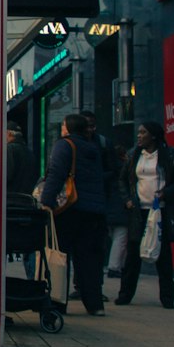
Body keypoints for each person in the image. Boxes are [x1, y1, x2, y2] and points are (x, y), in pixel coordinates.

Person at [38, 111, 106, 315]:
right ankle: (94, 305)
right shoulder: (93, 148)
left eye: (63, 125)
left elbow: (56, 175)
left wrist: (46, 202)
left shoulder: (64, 145)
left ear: (68, 128)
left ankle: (59, 302)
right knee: (88, 259)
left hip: (70, 209)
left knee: (61, 255)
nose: (61, 128)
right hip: (93, 210)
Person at [114, 121, 174, 309]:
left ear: (153, 135)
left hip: (161, 210)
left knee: (163, 256)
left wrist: (166, 193)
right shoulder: (133, 155)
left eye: (143, 133)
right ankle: (125, 295)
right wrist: (127, 199)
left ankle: (167, 298)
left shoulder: (169, 155)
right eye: (138, 133)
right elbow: (123, 180)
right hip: (138, 211)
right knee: (132, 255)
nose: (139, 136)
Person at [81, 109, 119, 284]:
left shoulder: (103, 143)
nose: (90, 129)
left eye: (92, 126)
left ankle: (94, 286)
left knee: (96, 247)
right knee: (79, 248)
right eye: (86, 126)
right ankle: (80, 285)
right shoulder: (72, 144)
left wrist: (96, 179)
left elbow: (114, 170)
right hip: (78, 202)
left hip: (98, 202)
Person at [4, 121, 38, 279]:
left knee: (3, 241)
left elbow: (7, 175)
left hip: (10, 202)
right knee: (28, 243)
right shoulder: (29, 151)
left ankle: (0, 278)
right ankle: (32, 277)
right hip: (27, 202)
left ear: (9, 134)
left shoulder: (9, 149)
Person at [105, 143, 129, 277]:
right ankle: (114, 267)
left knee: (115, 237)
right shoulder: (123, 170)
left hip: (109, 209)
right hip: (121, 209)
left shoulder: (109, 171)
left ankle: (118, 265)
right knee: (121, 237)